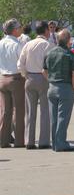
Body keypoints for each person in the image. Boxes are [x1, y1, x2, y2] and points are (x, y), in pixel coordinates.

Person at [44, 29, 74, 151]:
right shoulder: (69, 54)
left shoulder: (50, 53)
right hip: (65, 87)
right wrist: (73, 87)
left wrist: (50, 80)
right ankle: (61, 143)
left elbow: (43, 70)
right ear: (69, 40)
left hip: (52, 87)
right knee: (63, 117)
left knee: (54, 118)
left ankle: (55, 143)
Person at [18, 20, 52, 149]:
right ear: (45, 30)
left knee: (30, 112)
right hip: (43, 77)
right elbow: (49, 65)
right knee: (44, 111)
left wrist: (25, 75)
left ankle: (29, 141)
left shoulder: (28, 44)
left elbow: (20, 64)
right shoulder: (48, 45)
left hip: (30, 77)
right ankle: (43, 141)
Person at [1, 19, 27, 152]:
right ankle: (19, 141)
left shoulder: (1, 43)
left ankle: (3, 140)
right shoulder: (18, 44)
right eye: (19, 27)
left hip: (2, 78)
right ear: (14, 30)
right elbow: (21, 63)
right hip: (15, 78)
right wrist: (25, 75)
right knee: (18, 110)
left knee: (5, 111)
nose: (21, 29)